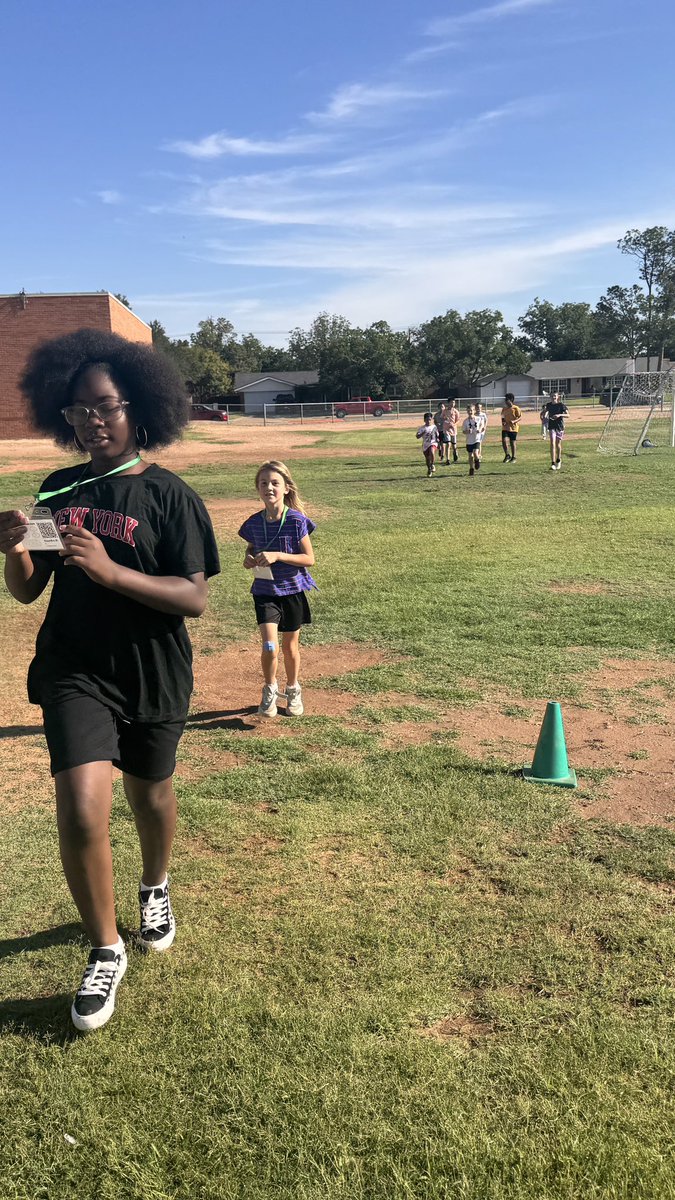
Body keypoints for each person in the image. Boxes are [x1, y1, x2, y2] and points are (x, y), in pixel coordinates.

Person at [0, 329, 220, 1032]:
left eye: (104, 407)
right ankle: (105, 948)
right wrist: (12, 550)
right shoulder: (57, 489)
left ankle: (154, 885)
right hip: (74, 668)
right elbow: (27, 592)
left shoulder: (168, 495)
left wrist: (112, 571)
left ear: (137, 408)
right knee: (81, 809)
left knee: (150, 793)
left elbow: (192, 598)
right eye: (78, 411)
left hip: (152, 669)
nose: (92, 421)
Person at [239, 460, 317, 719]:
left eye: (274, 483)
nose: (268, 487)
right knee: (270, 646)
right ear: (258, 489)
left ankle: (293, 689)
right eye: (264, 483)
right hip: (265, 592)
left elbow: (309, 559)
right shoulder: (252, 523)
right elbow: (251, 549)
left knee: (289, 647)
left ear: (286, 488)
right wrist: (248, 558)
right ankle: (270, 689)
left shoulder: (296, 521)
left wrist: (278, 555)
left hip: (292, 590)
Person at [544, 392, 570, 470]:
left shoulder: (561, 405)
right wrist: (544, 416)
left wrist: (559, 415)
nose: (553, 397)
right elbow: (545, 412)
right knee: (552, 443)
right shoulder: (548, 405)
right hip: (551, 426)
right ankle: (553, 463)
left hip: (559, 426)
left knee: (558, 444)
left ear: (557, 396)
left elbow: (568, 415)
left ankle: (558, 460)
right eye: (552, 396)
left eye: (554, 396)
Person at [500, 393, 522, 462]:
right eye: (505, 399)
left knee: (512, 442)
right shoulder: (504, 408)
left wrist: (514, 421)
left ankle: (514, 457)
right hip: (505, 427)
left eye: (507, 399)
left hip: (513, 428)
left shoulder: (516, 408)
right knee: (504, 440)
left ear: (511, 400)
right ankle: (507, 455)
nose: (505, 401)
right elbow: (502, 416)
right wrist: (503, 421)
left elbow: (520, 417)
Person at [462, 404, 481, 477]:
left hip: (476, 439)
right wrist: (467, 431)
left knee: (475, 453)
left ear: (474, 411)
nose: (470, 412)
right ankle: (471, 468)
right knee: (470, 455)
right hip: (469, 440)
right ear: (467, 411)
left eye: (472, 410)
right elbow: (463, 431)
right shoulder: (465, 421)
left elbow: (482, 426)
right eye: (469, 410)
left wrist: (480, 430)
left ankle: (477, 461)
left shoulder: (478, 419)